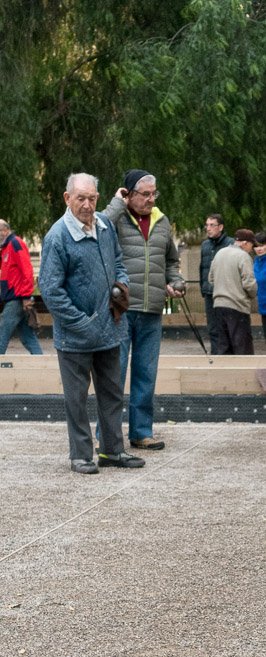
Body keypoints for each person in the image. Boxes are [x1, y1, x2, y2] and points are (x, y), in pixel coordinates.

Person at [38, 173, 144, 474]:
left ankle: (112, 451)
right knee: (77, 398)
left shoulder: (105, 226)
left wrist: (122, 284)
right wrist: (82, 324)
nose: (87, 204)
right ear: (67, 198)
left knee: (112, 394)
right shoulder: (58, 237)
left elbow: (119, 262)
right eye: (81, 198)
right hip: (75, 336)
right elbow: (51, 290)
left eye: (92, 198)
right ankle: (81, 455)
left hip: (110, 328)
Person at [102, 169, 183, 451]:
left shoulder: (162, 222)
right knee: (115, 375)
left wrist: (175, 280)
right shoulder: (116, 218)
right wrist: (116, 203)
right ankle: (108, 435)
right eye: (144, 194)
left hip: (152, 310)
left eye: (154, 193)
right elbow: (99, 227)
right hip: (121, 309)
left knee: (146, 375)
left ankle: (141, 432)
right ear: (128, 194)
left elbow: (171, 260)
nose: (150, 199)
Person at [209, 229, 257, 354]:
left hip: (219, 305)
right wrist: (252, 295)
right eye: (252, 245)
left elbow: (211, 279)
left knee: (223, 346)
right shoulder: (243, 256)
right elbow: (249, 284)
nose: (252, 249)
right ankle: (243, 373)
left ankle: (225, 372)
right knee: (242, 347)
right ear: (245, 243)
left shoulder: (220, 253)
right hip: (237, 306)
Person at [0, 219, 43, 355]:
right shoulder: (6, 247)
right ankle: (40, 362)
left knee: (3, 332)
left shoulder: (15, 243)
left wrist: (26, 296)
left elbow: (27, 270)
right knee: (27, 336)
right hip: (15, 298)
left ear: (5, 230)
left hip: (16, 298)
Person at [200, 214, 235, 354]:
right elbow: (202, 267)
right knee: (213, 329)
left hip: (225, 294)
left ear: (220, 227)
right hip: (209, 293)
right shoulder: (205, 245)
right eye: (206, 225)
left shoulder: (230, 244)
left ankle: (228, 358)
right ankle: (216, 357)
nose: (208, 228)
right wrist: (203, 288)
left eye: (211, 225)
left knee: (226, 328)